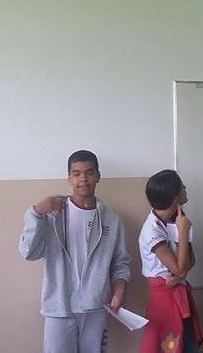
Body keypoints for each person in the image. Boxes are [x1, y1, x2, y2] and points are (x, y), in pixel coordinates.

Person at [19, 150, 131, 353]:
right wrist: (35, 213)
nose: (83, 179)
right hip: (59, 306)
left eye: (89, 173)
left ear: (98, 176)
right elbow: (29, 252)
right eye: (76, 173)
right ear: (69, 178)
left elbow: (120, 262)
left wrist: (120, 289)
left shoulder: (111, 220)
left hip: (95, 307)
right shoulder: (53, 214)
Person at [138, 169, 203, 353]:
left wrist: (179, 272)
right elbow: (180, 269)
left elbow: (189, 263)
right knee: (169, 346)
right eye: (182, 186)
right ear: (175, 197)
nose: (185, 188)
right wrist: (182, 233)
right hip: (164, 299)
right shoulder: (152, 229)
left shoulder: (177, 220)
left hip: (179, 292)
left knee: (187, 343)